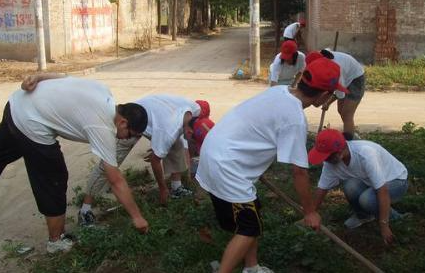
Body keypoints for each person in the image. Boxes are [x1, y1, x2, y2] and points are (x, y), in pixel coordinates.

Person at [196, 58, 348, 273]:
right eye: (332, 94)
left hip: (215, 151)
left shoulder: (279, 91)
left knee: (251, 216)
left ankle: (252, 268)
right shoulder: (295, 118)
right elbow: (299, 171)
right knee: (249, 228)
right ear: (324, 95)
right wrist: (310, 211)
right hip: (227, 167)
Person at [0, 74, 149, 253]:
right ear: (123, 122)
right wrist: (137, 217)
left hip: (16, 105)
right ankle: (56, 241)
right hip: (31, 124)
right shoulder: (103, 127)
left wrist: (37, 77)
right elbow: (115, 180)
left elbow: (64, 78)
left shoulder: (103, 92)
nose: (129, 139)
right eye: (131, 134)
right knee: (54, 177)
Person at [78, 95, 211, 226]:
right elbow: (155, 161)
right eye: (194, 143)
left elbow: (171, 133)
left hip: (154, 114)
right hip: (133, 121)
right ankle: (85, 210)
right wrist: (162, 189)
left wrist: (159, 146)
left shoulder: (195, 111)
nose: (195, 150)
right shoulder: (169, 130)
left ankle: (176, 188)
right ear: (189, 132)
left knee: (177, 144)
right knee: (108, 164)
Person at [309, 129, 408, 245]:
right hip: (370, 182)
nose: (325, 161)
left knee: (367, 199)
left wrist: (384, 225)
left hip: (396, 180)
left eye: (327, 157)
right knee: (350, 186)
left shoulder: (365, 154)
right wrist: (310, 213)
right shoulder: (330, 163)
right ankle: (364, 216)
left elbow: (383, 190)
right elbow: (322, 189)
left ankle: (397, 219)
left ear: (340, 151)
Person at [306, 49, 365, 140]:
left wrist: (327, 103)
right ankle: (351, 133)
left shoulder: (335, 67)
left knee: (347, 114)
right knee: (340, 110)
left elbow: (340, 93)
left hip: (355, 79)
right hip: (346, 76)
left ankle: (350, 143)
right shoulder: (324, 61)